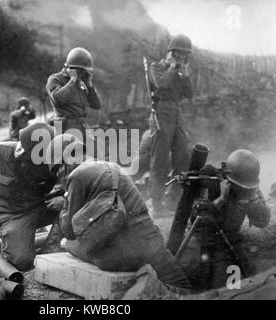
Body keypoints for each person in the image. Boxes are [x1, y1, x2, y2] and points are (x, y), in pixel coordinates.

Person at [45, 133, 191, 290]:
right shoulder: (112, 166)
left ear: (64, 161)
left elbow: (69, 231)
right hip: (150, 240)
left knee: (66, 243)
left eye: (58, 169)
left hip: (116, 255)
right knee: (181, 284)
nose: (60, 175)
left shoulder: (77, 176)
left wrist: (64, 203)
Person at [0, 123, 64, 271]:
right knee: (22, 262)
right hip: (12, 215)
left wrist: (64, 198)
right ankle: (9, 246)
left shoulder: (50, 159)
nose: (19, 153)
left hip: (41, 207)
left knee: (72, 206)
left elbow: (71, 179)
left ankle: (50, 249)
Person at [167, 149, 270, 289]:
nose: (242, 190)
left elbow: (263, 221)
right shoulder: (212, 181)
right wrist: (221, 199)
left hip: (228, 243)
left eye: (246, 187)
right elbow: (197, 216)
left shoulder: (249, 186)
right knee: (183, 273)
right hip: (201, 239)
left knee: (228, 286)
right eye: (240, 187)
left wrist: (252, 199)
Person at [148, 35, 194, 217]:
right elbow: (161, 84)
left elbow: (189, 93)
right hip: (161, 112)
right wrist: (173, 67)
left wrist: (185, 72)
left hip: (177, 113)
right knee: (160, 159)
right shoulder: (156, 67)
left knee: (183, 156)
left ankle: (172, 198)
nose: (182, 57)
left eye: (185, 55)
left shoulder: (180, 71)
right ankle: (156, 203)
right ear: (171, 53)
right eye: (179, 54)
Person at [46, 47, 102, 141]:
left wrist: (89, 85)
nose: (82, 73)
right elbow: (58, 99)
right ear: (70, 68)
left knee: (97, 152)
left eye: (84, 71)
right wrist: (72, 81)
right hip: (64, 129)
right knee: (72, 154)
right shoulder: (55, 79)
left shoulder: (81, 83)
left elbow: (97, 105)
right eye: (80, 70)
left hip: (81, 127)